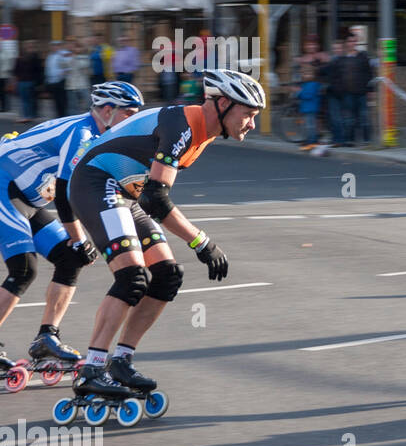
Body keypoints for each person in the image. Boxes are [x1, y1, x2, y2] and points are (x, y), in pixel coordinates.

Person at [67, 69, 264, 399]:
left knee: (167, 275)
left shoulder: (207, 131)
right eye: (248, 114)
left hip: (126, 192)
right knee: (131, 277)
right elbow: (156, 199)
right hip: (95, 183)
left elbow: (149, 195)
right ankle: (92, 368)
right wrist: (201, 242)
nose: (252, 124)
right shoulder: (183, 126)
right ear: (225, 104)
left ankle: (121, 361)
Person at [0, 82, 144, 376]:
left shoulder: (99, 133)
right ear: (107, 110)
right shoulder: (83, 134)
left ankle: (46, 339)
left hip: (25, 196)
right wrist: (80, 238)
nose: (133, 120)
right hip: (4, 189)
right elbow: (66, 195)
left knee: (70, 257)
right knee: (24, 269)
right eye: (128, 114)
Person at [13, 41, 42, 123]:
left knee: (27, 100)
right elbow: (16, 70)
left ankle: (28, 115)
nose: (29, 48)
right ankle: (29, 115)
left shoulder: (32, 57)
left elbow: (38, 70)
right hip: (25, 81)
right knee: (26, 100)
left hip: (28, 81)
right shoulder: (25, 57)